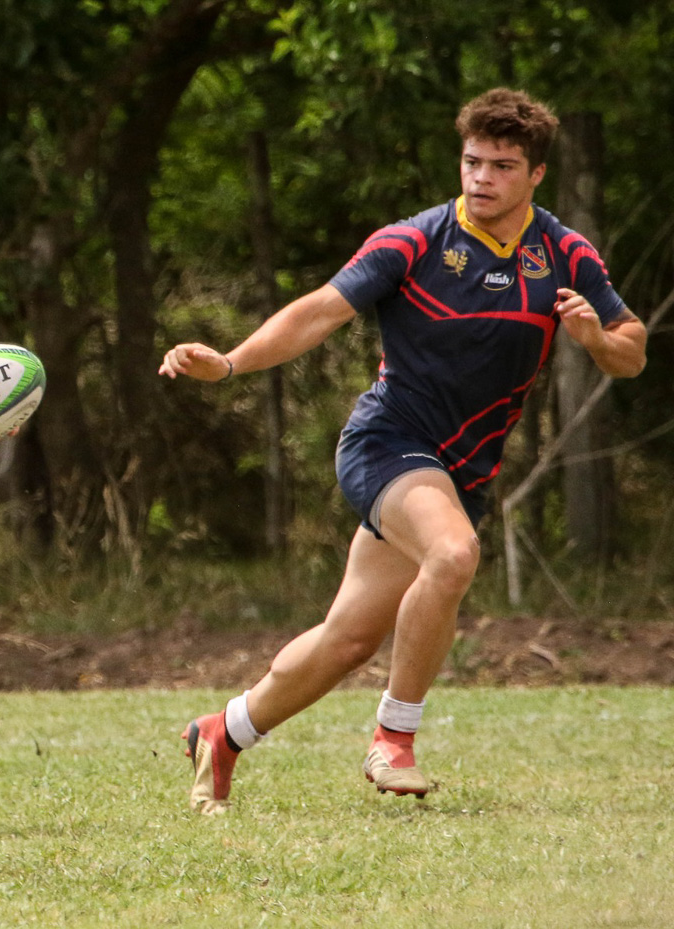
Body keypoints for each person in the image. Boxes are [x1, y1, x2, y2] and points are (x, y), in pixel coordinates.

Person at [159, 88, 648, 814]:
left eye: (503, 166)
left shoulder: (564, 253)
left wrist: (595, 339)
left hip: (462, 471)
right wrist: (230, 362)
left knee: (349, 638)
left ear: (536, 175)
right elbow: (320, 310)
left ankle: (221, 732)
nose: (482, 177)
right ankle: (395, 737)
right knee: (453, 555)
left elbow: (631, 351)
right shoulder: (414, 241)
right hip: (387, 442)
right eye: (472, 160)